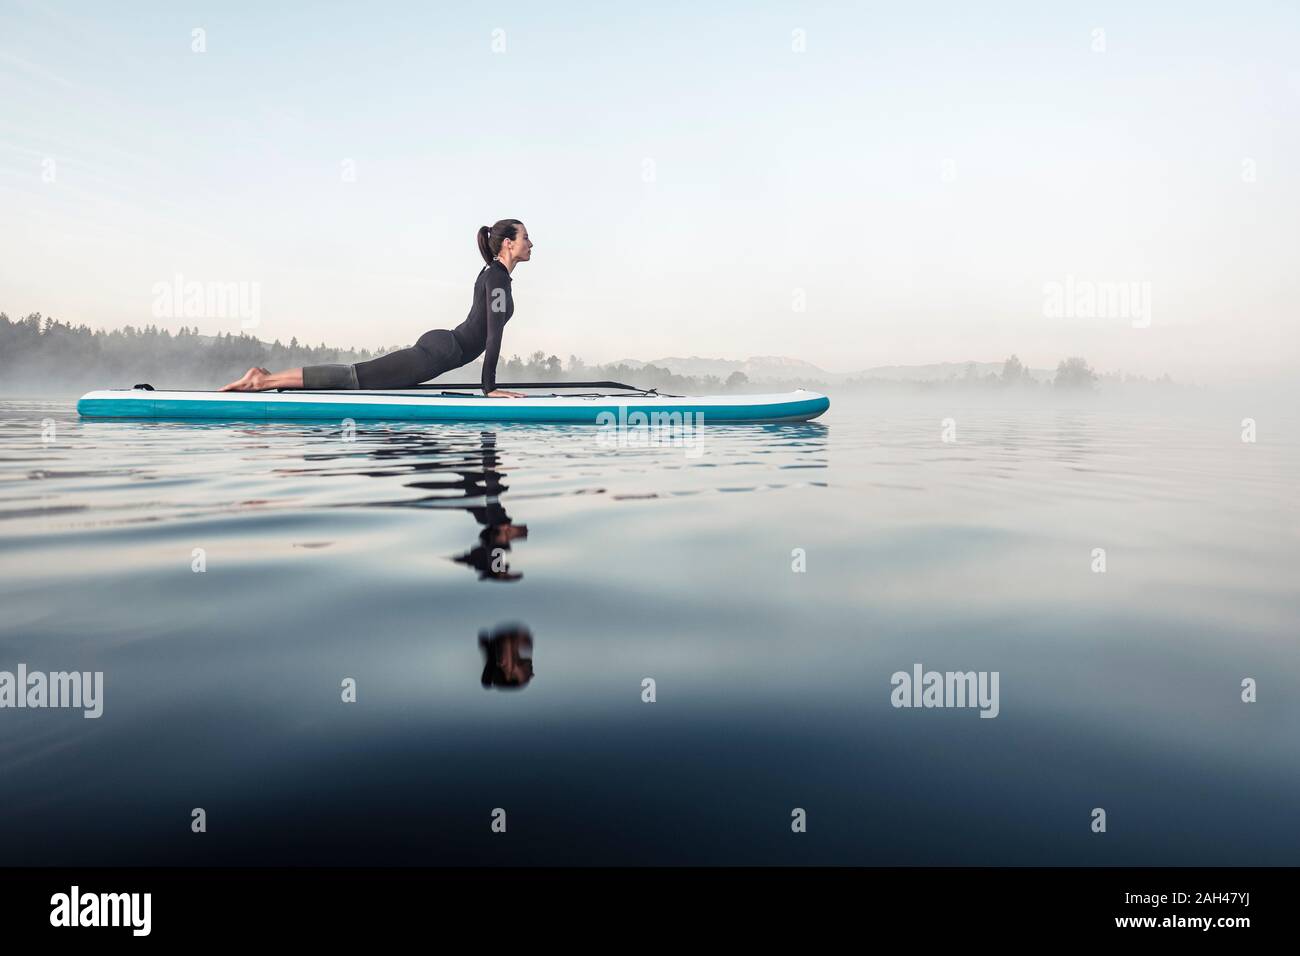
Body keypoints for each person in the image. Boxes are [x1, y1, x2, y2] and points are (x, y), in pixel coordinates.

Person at [220, 220, 532, 397]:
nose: (531, 244)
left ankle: (266, 377)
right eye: (526, 237)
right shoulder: (496, 277)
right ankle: (262, 381)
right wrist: (489, 388)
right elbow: (492, 336)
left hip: (443, 350)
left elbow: (490, 331)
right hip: (440, 353)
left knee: (357, 376)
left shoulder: (496, 275)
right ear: (508, 243)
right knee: (354, 377)